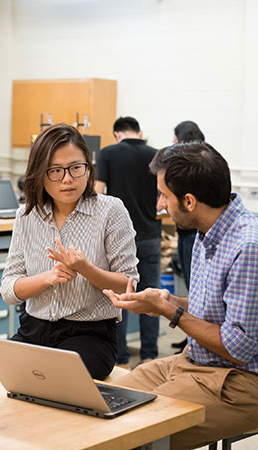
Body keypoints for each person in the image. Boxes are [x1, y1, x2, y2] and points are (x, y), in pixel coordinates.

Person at [103, 141, 258, 450]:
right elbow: (218, 309)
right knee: (100, 405)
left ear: (189, 201)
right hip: (193, 362)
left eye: (164, 195)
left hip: (241, 383)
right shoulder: (206, 233)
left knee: (130, 433)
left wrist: (171, 313)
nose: (160, 204)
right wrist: (169, 301)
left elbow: (238, 347)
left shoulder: (250, 246)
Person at [1, 123, 139, 381]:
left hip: (89, 336)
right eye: (55, 170)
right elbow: (9, 289)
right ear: (39, 173)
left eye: (76, 168)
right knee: (6, 377)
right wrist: (46, 278)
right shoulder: (27, 215)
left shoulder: (110, 211)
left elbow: (127, 286)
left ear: (88, 167)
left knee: (55, 381)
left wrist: (85, 269)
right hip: (33, 329)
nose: (67, 179)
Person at [95, 116, 161, 368]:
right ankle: (149, 355)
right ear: (138, 132)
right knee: (152, 295)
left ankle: (120, 357)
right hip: (150, 235)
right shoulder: (156, 155)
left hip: (119, 239)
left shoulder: (108, 153)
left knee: (119, 296)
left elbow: (97, 193)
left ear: (117, 134)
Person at [172, 120, 205, 352]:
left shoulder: (193, 164)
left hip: (191, 233)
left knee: (195, 285)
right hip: (187, 233)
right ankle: (190, 336)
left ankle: (195, 335)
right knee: (192, 285)